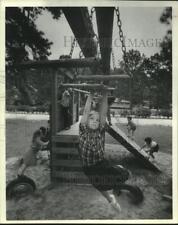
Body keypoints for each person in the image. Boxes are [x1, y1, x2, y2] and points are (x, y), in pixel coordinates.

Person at [79, 91, 130, 213]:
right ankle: (111, 200)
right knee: (98, 185)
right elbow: (86, 111)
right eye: (92, 119)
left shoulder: (100, 130)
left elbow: (103, 113)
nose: (95, 121)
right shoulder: (83, 130)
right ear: (86, 121)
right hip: (88, 168)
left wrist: (106, 95)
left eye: (97, 120)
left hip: (101, 163)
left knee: (123, 174)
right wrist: (90, 95)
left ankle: (120, 169)